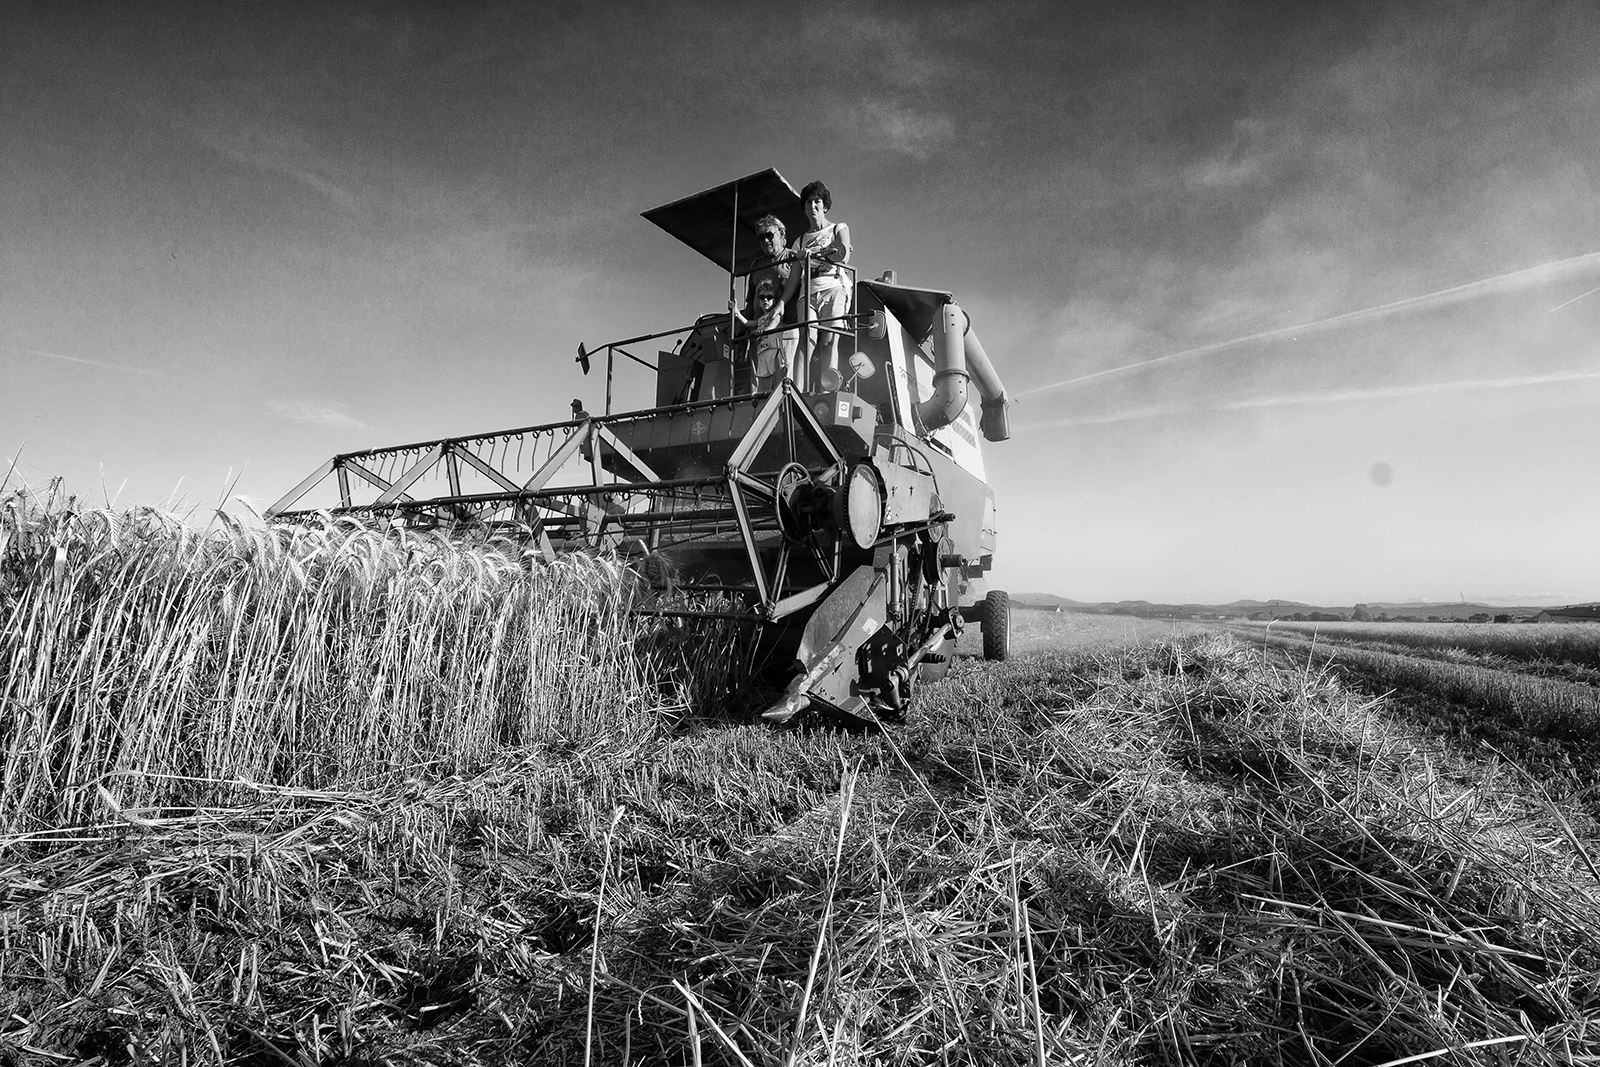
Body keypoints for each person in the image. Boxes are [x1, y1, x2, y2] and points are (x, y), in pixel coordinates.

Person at [781, 180, 854, 389]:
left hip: (834, 287)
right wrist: (781, 304)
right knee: (806, 339)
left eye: (817, 201)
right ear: (804, 209)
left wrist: (817, 254)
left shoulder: (838, 228)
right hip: (809, 293)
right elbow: (794, 278)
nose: (812, 206)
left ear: (825, 205)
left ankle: (828, 390)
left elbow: (843, 254)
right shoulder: (800, 241)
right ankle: (798, 392)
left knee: (829, 341)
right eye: (808, 203)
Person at [728, 277, 795, 394]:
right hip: (762, 351)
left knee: (777, 378)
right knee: (764, 380)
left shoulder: (775, 315)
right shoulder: (760, 320)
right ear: (758, 301)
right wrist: (736, 313)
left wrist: (765, 330)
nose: (765, 300)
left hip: (775, 351)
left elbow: (774, 324)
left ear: (775, 300)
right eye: (762, 297)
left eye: (769, 297)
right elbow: (749, 323)